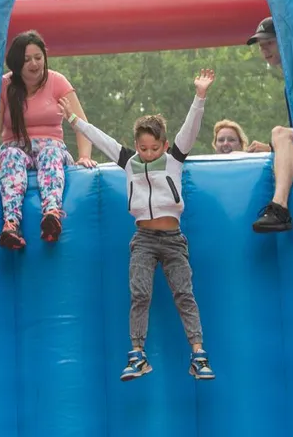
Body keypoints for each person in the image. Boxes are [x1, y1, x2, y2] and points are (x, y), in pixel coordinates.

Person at [58, 69, 217, 382]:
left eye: (153, 149)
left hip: (172, 239)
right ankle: (137, 355)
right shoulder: (129, 162)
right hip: (143, 238)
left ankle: (198, 353)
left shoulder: (173, 159)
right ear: (136, 145)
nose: (147, 154)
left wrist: (200, 96)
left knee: (184, 294)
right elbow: (101, 139)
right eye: (142, 148)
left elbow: (190, 128)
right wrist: (74, 121)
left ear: (164, 144)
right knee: (139, 294)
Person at [0, 30, 96, 249]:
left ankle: (51, 214)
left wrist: (84, 156)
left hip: (52, 147)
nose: (34, 64)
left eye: (38, 58)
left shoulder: (57, 82)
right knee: (9, 155)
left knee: (50, 154)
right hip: (17, 148)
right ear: (17, 64)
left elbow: (81, 124)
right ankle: (11, 224)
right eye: (27, 59)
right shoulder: (5, 85)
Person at [245, 17, 293, 233]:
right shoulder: (291, 79)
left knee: (279, 131)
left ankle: (280, 207)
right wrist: (274, 148)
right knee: (280, 135)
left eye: (269, 43)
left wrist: (279, 139)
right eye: (261, 46)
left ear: (284, 40)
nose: (264, 49)